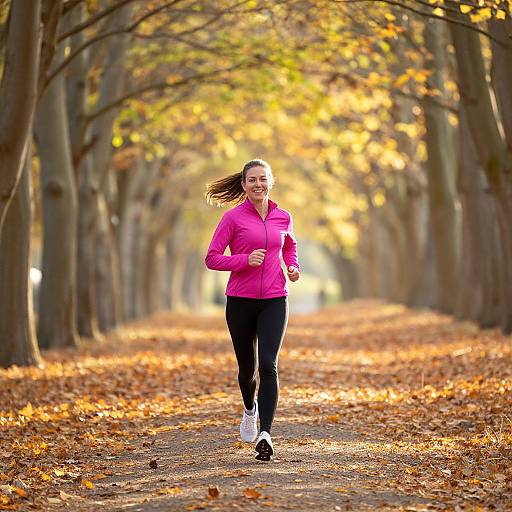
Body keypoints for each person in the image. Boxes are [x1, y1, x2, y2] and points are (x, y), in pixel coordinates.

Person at [204, 158, 300, 461]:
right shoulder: (233, 218)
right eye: (252, 180)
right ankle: (249, 410)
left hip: (275, 299)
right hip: (240, 302)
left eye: (263, 179)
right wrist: (244, 260)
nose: (258, 184)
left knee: (268, 365)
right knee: (247, 370)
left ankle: (266, 434)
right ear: (244, 185)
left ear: (271, 181)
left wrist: (293, 266)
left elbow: (289, 246)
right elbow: (212, 258)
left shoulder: (283, 216)